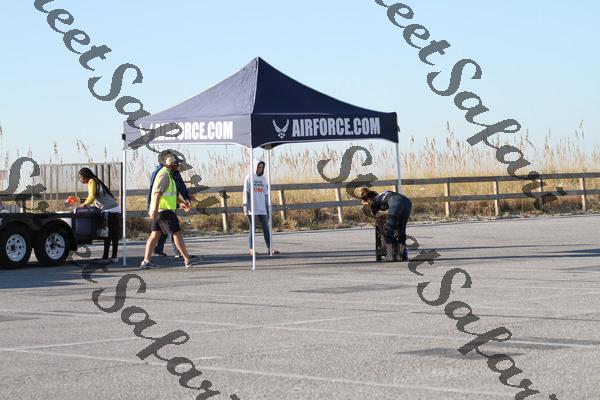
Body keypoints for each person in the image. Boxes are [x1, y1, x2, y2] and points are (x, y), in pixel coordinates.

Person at [141, 155, 195, 269]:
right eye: (177, 164)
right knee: (177, 234)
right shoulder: (164, 174)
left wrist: (181, 202)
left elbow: (170, 194)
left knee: (155, 235)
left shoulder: (169, 175)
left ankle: (146, 261)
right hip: (164, 211)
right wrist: (154, 209)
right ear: (172, 165)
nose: (179, 166)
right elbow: (157, 193)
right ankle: (187, 259)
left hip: (161, 210)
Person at [78, 167, 121, 263]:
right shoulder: (96, 181)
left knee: (107, 234)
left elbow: (91, 197)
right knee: (114, 234)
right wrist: (80, 200)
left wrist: (82, 205)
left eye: (80, 177)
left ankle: (105, 258)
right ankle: (114, 257)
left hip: (108, 210)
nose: (80, 179)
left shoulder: (91, 181)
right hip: (116, 209)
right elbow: (95, 198)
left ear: (85, 176)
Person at [359, 188, 411, 261]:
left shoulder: (373, 203)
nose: (368, 206)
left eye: (366, 204)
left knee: (390, 228)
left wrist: (383, 234)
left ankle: (390, 256)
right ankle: (399, 256)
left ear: (369, 200)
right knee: (401, 228)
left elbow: (379, 221)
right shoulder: (382, 195)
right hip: (407, 202)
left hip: (395, 202)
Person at [243, 160, 279, 256]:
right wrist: (245, 207)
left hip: (262, 208)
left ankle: (270, 248)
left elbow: (266, 194)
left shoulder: (263, 179)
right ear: (255, 167)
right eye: (259, 167)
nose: (260, 169)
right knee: (252, 228)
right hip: (252, 208)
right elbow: (246, 192)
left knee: (266, 228)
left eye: (262, 167)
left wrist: (268, 208)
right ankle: (251, 249)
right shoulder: (249, 177)